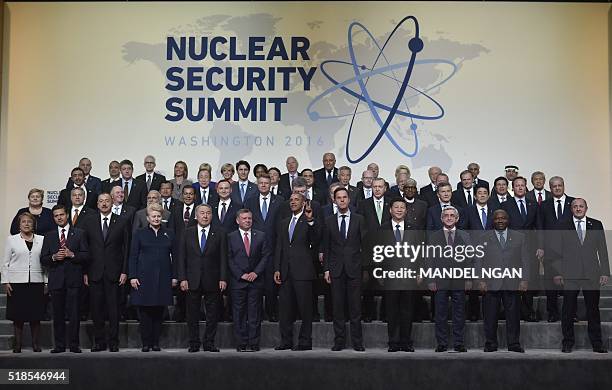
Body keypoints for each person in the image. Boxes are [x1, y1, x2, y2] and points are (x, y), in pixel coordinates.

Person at [553, 198, 609, 353]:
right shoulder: (562, 225)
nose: (578, 209)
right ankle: (567, 342)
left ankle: (597, 343)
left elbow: (602, 250)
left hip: (591, 273)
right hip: (570, 274)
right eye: (575, 206)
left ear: (586, 208)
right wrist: (558, 272)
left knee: (593, 309)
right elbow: (556, 252)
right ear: (571, 209)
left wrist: (605, 272)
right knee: (568, 309)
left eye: (581, 206)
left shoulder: (596, 224)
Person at [82, 193, 131, 352]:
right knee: (96, 310)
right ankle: (99, 342)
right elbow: (85, 249)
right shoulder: (89, 221)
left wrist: (124, 271)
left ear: (112, 202)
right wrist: (85, 272)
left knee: (113, 310)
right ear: (97, 204)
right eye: (101, 201)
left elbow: (126, 249)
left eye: (107, 201)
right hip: (94, 272)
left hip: (114, 273)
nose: (104, 204)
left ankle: (113, 342)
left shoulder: (122, 221)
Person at [477, 209, 529, 353]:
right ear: (493, 221)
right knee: (490, 317)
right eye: (497, 218)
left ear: (508, 220)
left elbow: (525, 260)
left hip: (512, 282)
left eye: (503, 218)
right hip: (490, 282)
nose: (500, 221)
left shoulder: (520, 237)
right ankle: (490, 343)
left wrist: (524, 279)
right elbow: (478, 261)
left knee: (513, 317)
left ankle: (513, 344)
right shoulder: (484, 237)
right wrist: (480, 279)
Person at [177, 204, 227, 353]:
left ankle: (209, 343)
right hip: (192, 280)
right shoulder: (187, 233)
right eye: (202, 213)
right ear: (196, 216)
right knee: (192, 315)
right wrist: (182, 278)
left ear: (212, 215)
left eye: (208, 213)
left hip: (213, 279)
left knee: (213, 314)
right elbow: (181, 258)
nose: (205, 216)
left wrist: (223, 278)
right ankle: (194, 343)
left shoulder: (220, 233)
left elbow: (224, 258)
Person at [324, 187, 367, 351]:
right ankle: (339, 341)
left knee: (355, 307)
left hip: (355, 269)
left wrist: (364, 268)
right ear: (334, 200)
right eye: (338, 197)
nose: (342, 200)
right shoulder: (329, 220)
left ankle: (357, 342)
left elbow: (365, 245)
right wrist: (327, 269)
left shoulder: (359, 219)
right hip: (335, 269)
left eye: (344, 197)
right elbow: (326, 247)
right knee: (338, 307)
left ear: (349, 200)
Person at [40, 205, 89, 353]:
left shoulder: (79, 233)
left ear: (67, 215)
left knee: (74, 314)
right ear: (53, 218)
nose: (59, 217)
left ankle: (74, 345)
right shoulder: (49, 236)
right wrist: (54, 257)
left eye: (61, 214)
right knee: (58, 315)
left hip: (74, 280)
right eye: (56, 216)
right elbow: (43, 258)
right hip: (56, 281)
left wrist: (72, 255)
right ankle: (59, 345)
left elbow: (86, 255)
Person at [274, 193, 319, 351]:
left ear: (304, 203)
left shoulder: (309, 220)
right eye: (291, 200)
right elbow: (279, 246)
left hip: (303, 272)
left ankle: (305, 342)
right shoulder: (283, 222)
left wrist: (310, 221)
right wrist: (277, 268)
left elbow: (316, 240)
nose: (293, 202)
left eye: (296, 200)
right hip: (285, 272)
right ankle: (286, 341)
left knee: (305, 309)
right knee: (285, 310)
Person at [129, 203, 176, 352]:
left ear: (162, 218)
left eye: (158, 216)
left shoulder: (169, 233)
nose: (156, 219)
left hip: (163, 277)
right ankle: (146, 343)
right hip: (143, 278)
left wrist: (175, 276)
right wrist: (133, 276)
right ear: (148, 218)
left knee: (158, 311)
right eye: (153, 216)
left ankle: (155, 342)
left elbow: (175, 256)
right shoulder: (140, 233)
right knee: (145, 313)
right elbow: (133, 256)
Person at [427, 206, 472, 352]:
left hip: (459, 279)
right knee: (440, 313)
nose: (449, 217)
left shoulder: (465, 236)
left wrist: (469, 278)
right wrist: (431, 279)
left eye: (452, 215)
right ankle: (442, 343)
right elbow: (429, 259)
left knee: (459, 313)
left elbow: (470, 259)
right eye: (446, 215)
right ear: (441, 219)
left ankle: (459, 343)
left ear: (457, 218)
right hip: (440, 280)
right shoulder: (434, 236)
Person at [227, 209, 271, 352]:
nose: (247, 220)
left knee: (254, 314)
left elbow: (265, 256)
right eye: (244, 218)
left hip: (255, 281)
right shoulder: (230, 237)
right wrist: (241, 275)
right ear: (237, 220)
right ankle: (241, 343)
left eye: (249, 218)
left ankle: (254, 343)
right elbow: (229, 258)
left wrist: (255, 273)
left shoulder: (261, 236)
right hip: (238, 281)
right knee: (238, 314)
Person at [2, 213, 46, 353]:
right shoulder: (11, 240)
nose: (26, 224)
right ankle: (18, 345)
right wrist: (5, 281)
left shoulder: (42, 240)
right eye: (23, 222)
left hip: (36, 281)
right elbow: (5, 263)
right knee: (18, 316)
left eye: (29, 222)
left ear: (33, 225)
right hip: (16, 283)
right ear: (19, 225)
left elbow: (45, 264)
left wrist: (46, 282)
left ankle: (35, 345)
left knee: (36, 316)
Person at [381, 198, 421, 352]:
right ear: (390, 210)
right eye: (396, 207)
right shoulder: (383, 229)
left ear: (406, 210)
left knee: (407, 310)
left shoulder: (414, 228)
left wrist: (419, 271)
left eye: (402, 207)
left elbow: (420, 253)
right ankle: (393, 342)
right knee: (391, 311)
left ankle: (406, 342)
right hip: (390, 275)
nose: (399, 209)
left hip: (409, 275)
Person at [244, 174, 284, 322]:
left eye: (266, 183)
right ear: (257, 184)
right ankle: (257, 314)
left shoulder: (279, 201)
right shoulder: (249, 201)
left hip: (273, 248)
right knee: (255, 284)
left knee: (271, 284)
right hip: (254, 249)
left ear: (270, 184)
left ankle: (271, 312)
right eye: (261, 183)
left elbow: (281, 225)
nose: (263, 185)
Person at [501, 176, 540, 322]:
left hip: (531, 246)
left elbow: (539, 226)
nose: (520, 188)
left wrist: (540, 246)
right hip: (512, 247)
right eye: (517, 185)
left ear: (526, 187)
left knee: (528, 279)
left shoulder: (533, 204)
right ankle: (512, 311)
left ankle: (528, 311)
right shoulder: (505, 205)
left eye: (522, 185)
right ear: (513, 188)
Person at [537, 176, 575, 323]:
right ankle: (552, 312)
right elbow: (540, 227)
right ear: (550, 188)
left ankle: (571, 313)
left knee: (571, 283)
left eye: (560, 185)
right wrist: (540, 246)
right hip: (550, 249)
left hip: (570, 250)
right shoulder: (544, 205)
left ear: (564, 186)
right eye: (554, 186)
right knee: (550, 283)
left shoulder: (574, 202)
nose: (557, 188)